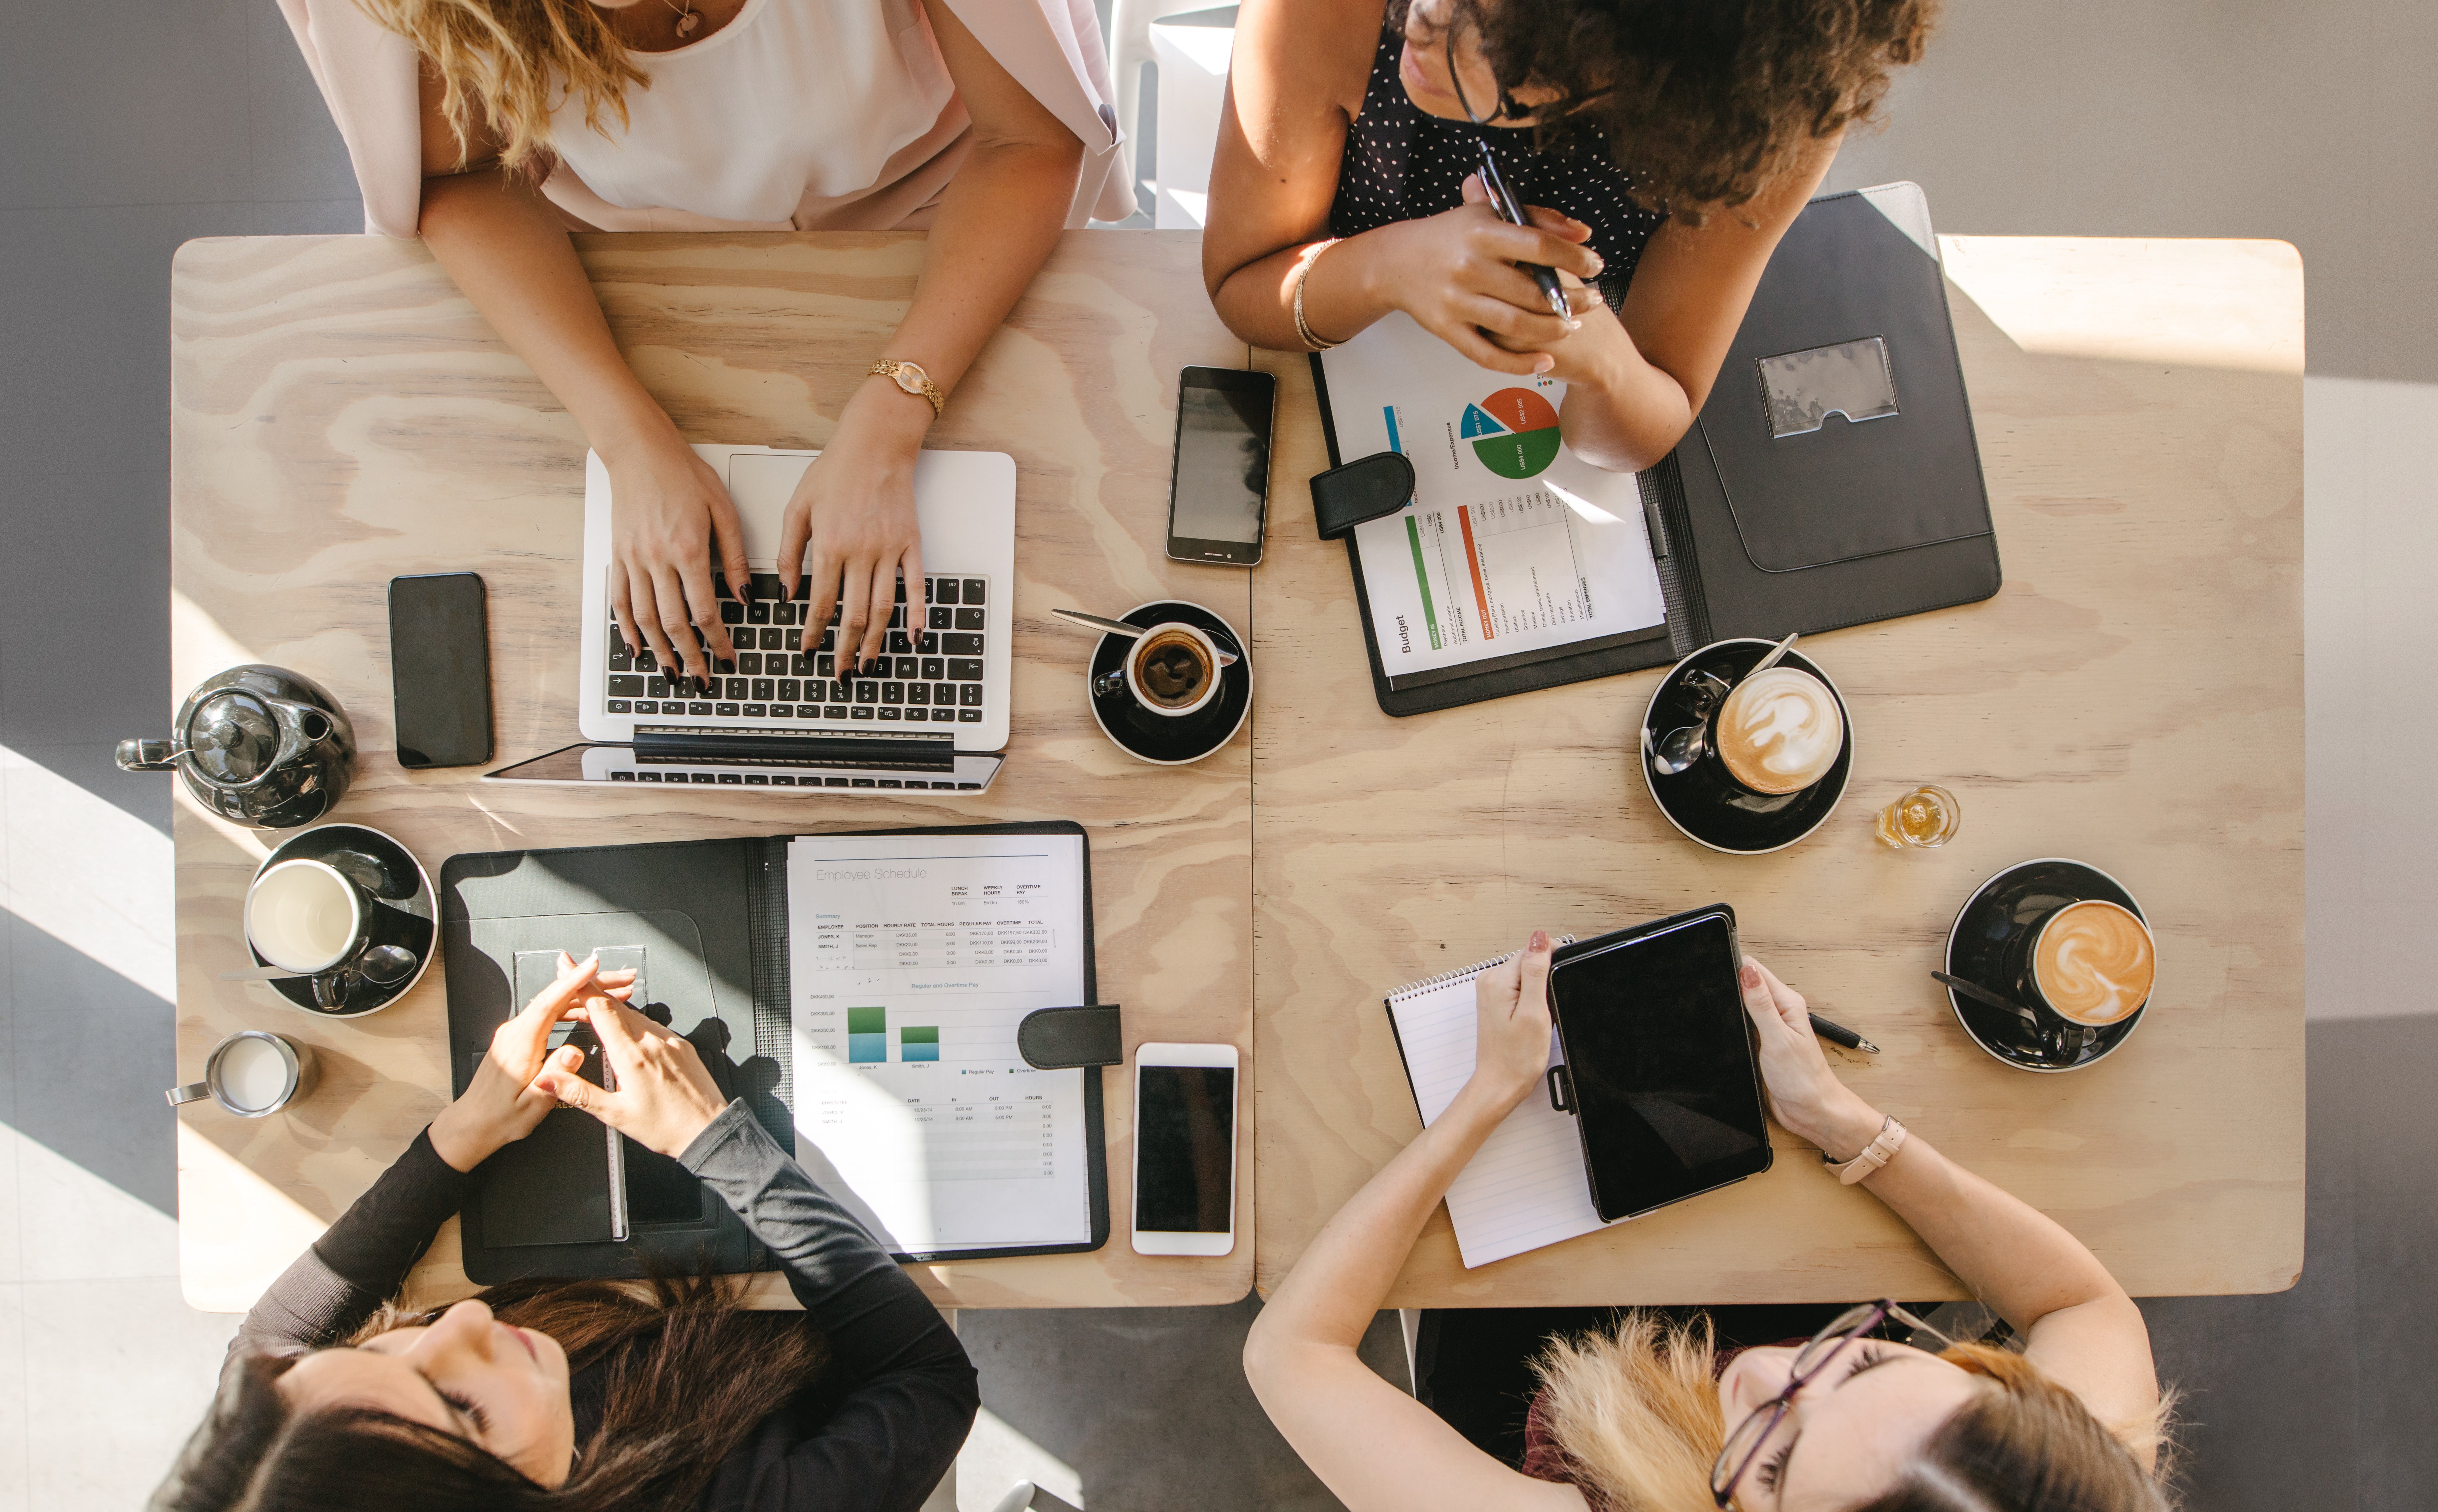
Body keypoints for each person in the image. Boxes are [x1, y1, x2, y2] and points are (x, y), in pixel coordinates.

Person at [276, 0, 1128, 687]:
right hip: (629, 262)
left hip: (938, 221)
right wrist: (629, 442)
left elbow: (1026, 139)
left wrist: (890, 419)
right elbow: (460, 175)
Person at [1243, 933, 2174, 1511]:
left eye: (1774, 1467)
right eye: (1866, 1362)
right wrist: (1844, 1124)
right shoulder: (2051, 1485)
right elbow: (2082, 1304)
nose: (1767, 1369)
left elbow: (1293, 1353)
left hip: (1534, 1351)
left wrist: (1485, 1098)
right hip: (1792, 1256)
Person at [151, 954, 975, 1512]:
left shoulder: (293, 1460)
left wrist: (463, 1136)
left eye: (373, 1354)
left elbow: (272, 1341)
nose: (467, 1324)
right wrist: (714, 1143)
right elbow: (931, 1380)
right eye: (463, 1408)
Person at [1203, 0, 1934, 474]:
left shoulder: (1758, 119)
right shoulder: (1331, 13)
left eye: (1494, 37)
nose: (1423, 18)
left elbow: (1653, 410)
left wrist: (1598, 356)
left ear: (1647, 85)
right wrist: (1389, 268)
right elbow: (1241, 286)